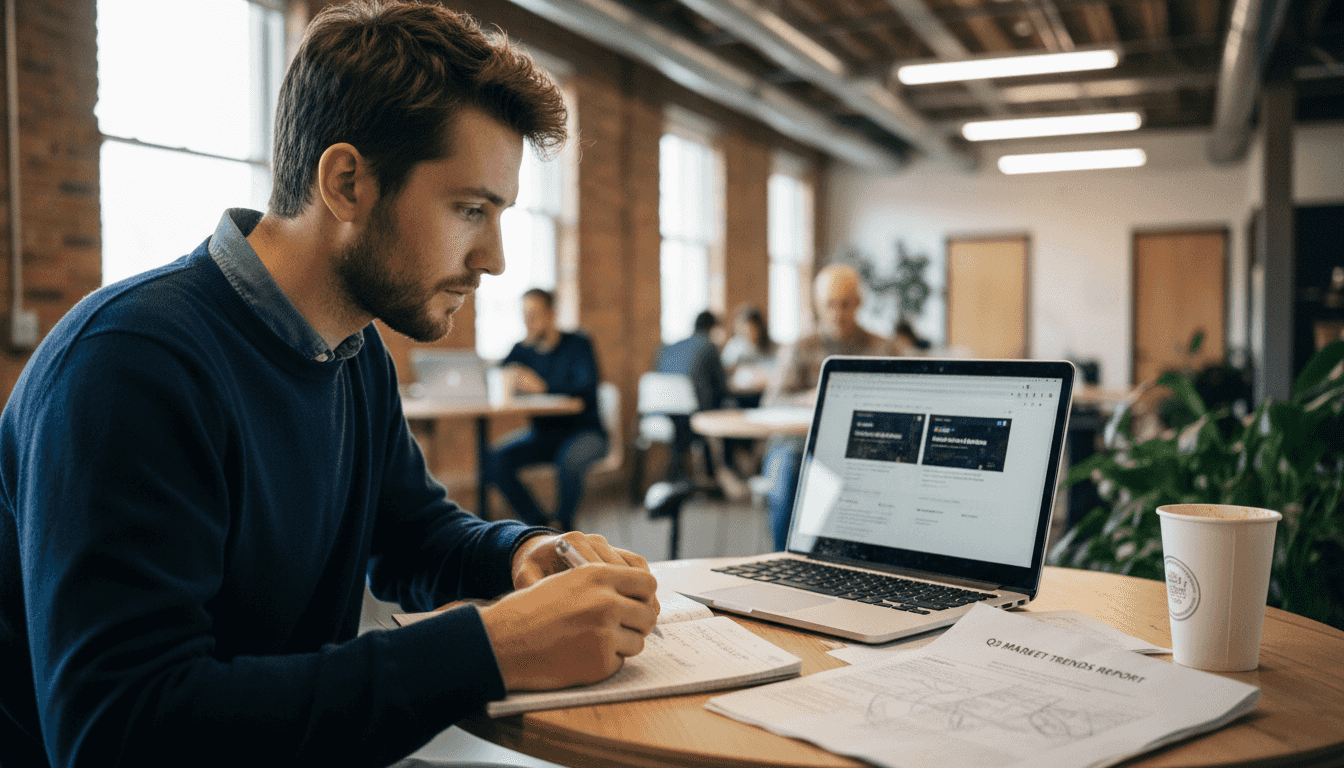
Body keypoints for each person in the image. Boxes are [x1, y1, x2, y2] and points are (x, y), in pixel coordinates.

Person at [0, 4, 660, 767]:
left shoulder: (350, 350)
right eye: (470, 209)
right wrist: (490, 648)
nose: (495, 258)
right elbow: (120, 734)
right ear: (347, 183)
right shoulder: (128, 366)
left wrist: (520, 552)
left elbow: (413, 535)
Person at [762, 264, 901, 549]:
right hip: (802, 445)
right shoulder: (800, 347)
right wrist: (811, 397)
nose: (838, 313)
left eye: (846, 304)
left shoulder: (882, 348)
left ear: (859, 302)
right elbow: (772, 402)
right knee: (786, 468)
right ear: (818, 305)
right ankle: (785, 556)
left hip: (862, 445)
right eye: (830, 305)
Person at [486, 287, 608, 531]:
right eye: (524, 315)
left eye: (534, 315)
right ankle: (541, 525)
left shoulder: (578, 344)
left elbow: (586, 388)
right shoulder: (522, 349)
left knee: (568, 461)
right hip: (542, 436)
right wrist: (507, 377)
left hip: (585, 433)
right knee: (494, 460)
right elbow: (496, 376)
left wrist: (542, 387)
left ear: (552, 314)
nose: (528, 322)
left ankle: (563, 527)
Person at [652, 311, 738, 493]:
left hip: (660, 415)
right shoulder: (708, 346)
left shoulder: (667, 347)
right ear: (713, 329)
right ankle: (724, 471)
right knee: (730, 407)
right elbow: (721, 387)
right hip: (693, 417)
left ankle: (689, 477)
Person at [720, 303, 779, 403]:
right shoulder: (735, 346)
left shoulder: (771, 347)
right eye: (745, 329)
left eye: (752, 329)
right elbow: (725, 374)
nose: (748, 334)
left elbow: (777, 372)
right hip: (740, 396)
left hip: (764, 393)